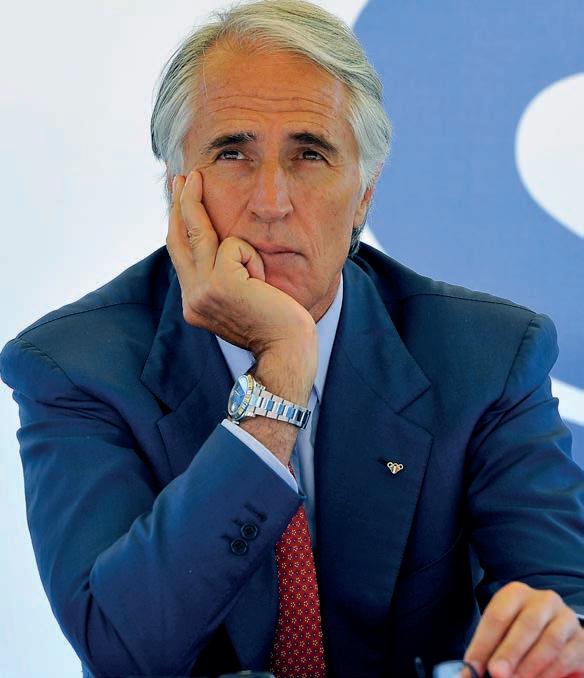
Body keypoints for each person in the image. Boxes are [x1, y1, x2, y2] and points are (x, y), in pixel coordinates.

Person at [1, 1, 583, 676]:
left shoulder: (487, 357)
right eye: (232, 153)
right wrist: (278, 379)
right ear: (177, 187)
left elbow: (566, 600)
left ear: (364, 195)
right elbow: (124, 651)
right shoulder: (73, 367)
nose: (272, 202)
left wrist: (560, 635)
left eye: (310, 154)